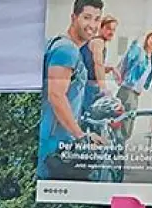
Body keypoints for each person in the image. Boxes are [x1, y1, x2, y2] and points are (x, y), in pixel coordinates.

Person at [39, 0, 107, 180]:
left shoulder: (57, 44)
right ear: (74, 17)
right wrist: (80, 137)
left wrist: (83, 133)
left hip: (54, 143)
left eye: (97, 20)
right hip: (52, 149)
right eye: (87, 18)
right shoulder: (67, 50)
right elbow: (56, 95)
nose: (92, 25)